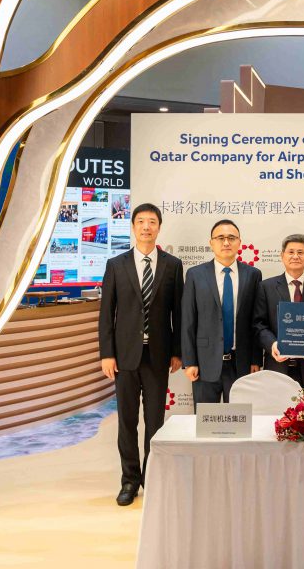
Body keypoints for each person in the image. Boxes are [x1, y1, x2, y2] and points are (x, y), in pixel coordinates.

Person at [98, 202, 183, 506]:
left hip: (158, 356)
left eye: (152, 222)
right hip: (124, 357)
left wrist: (177, 351)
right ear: (133, 227)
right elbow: (106, 314)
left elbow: (178, 313)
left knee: (155, 421)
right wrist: (107, 354)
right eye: (141, 221)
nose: (147, 227)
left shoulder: (172, 265)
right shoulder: (116, 265)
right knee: (127, 421)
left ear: (159, 227)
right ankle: (129, 480)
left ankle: (152, 477)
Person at [181, 219, 263, 404]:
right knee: (205, 419)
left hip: (241, 363)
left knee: (239, 419)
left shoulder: (253, 275)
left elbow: (256, 321)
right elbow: (188, 320)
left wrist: (256, 359)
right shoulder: (195, 274)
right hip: (204, 362)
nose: (226, 242)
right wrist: (190, 361)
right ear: (211, 243)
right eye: (220, 238)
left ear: (239, 242)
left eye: (231, 238)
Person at [253, 234, 304, 388]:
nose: (295, 256)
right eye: (291, 252)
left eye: (300, 252)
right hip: (277, 365)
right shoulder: (266, 287)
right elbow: (258, 324)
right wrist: (272, 344)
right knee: (276, 404)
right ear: (282, 255)